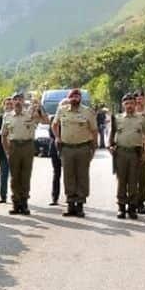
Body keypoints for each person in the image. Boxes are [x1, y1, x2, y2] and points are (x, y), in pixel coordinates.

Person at [1, 92, 49, 215]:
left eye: (20, 99)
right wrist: (7, 150)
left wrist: (40, 108)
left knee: (25, 176)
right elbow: (4, 135)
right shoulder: (7, 116)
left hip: (27, 146)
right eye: (15, 99)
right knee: (14, 177)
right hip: (14, 147)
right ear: (12, 102)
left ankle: (24, 203)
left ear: (23, 102)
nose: (17, 102)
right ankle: (16, 203)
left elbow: (46, 121)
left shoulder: (30, 114)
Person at [52, 88, 97, 217]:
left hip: (83, 147)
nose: (75, 99)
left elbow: (94, 130)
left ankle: (80, 205)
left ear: (80, 98)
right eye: (72, 96)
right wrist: (57, 137)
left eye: (77, 96)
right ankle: (70, 204)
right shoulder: (62, 110)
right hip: (67, 148)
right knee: (68, 176)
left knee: (82, 176)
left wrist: (94, 147)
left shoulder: (88, 112)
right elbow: (54, 125)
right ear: (69, 98)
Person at [110, 94, 145, 219]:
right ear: (123, 105)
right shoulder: (117, 118)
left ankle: (132, 208)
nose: (129, 106)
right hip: (121, 153)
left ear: (135, 104)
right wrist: (111, 147)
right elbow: (111, 134)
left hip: (135, 153)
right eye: (126, 104)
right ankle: (121, 207)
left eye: (131, 103)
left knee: (133, 181)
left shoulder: (142, 118)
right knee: (121, 181)